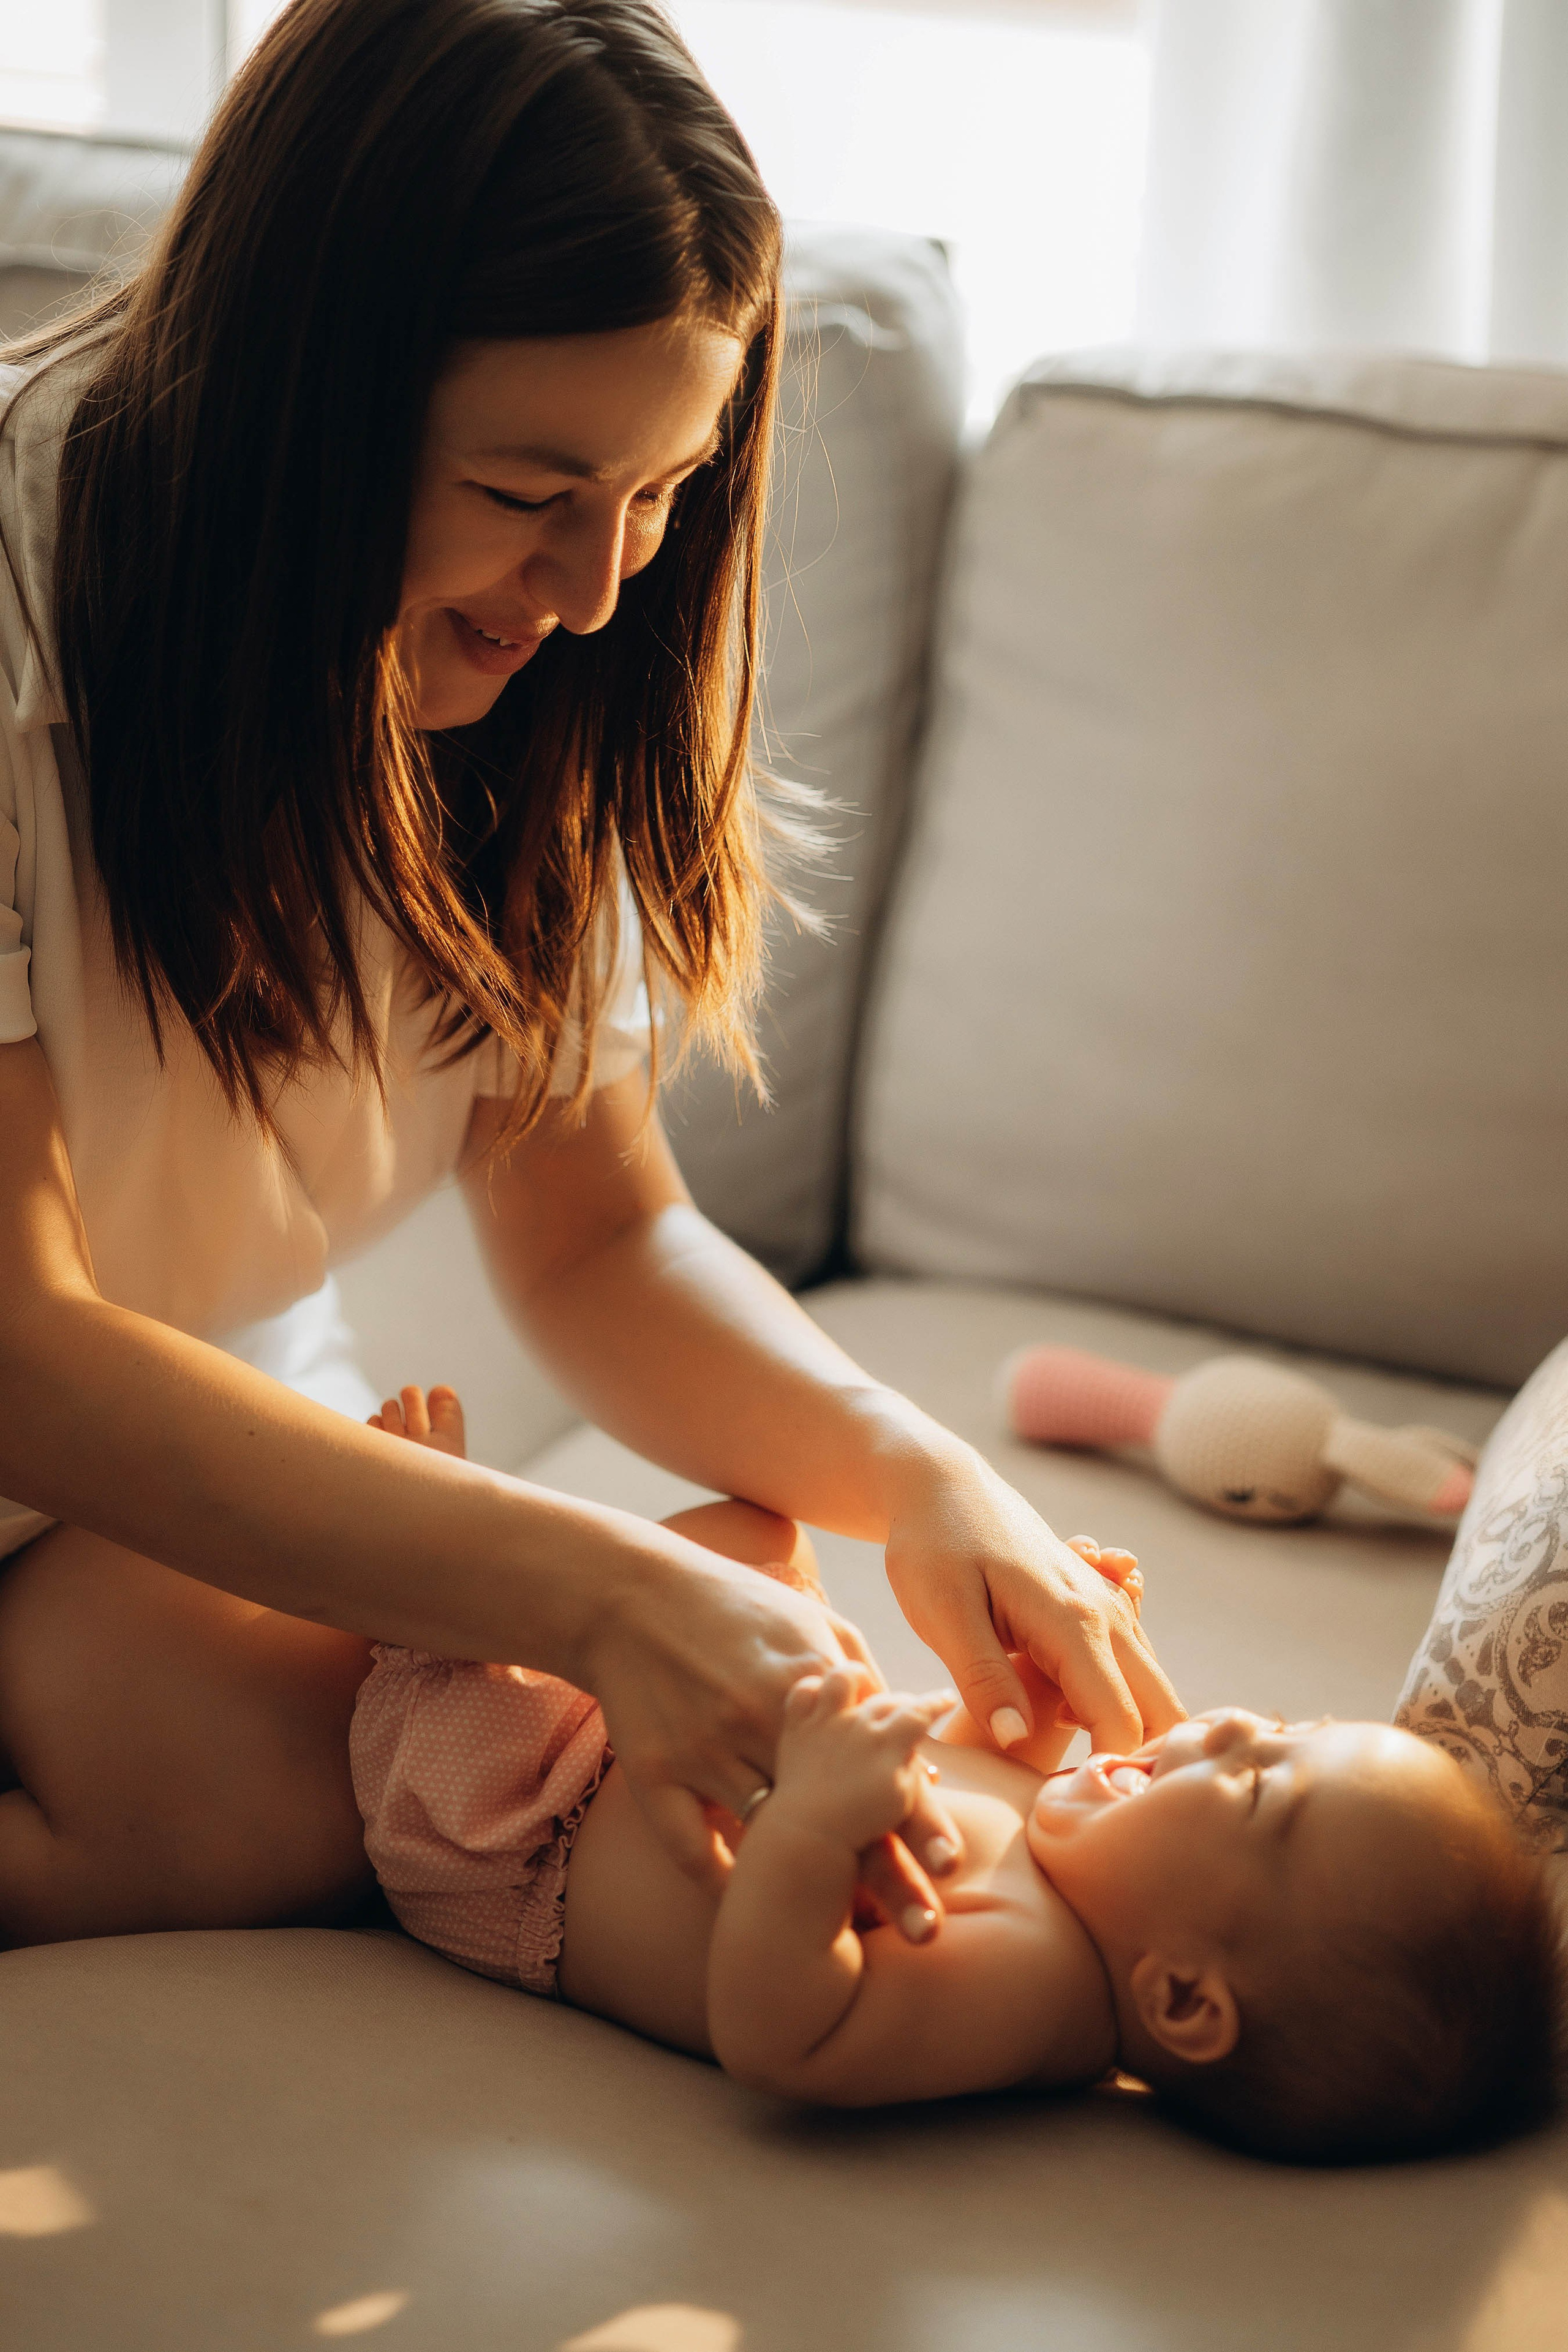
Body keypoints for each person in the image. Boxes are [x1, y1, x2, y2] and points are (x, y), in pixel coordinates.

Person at [0, 0, 1178, 1948]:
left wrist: (927, 1479)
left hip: (164, 1458)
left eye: (661, 493)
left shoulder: (534, 681)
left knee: (367, 1747)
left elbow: (598, 1239)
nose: (600, 589)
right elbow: (24, 1354)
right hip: (51, 1404)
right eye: (532, 493)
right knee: (388, 1722)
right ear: (300, 394)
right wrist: (600, 1593)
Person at [347, 1387, 1558, 2167]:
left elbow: (787, 2039)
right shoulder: (1078, 1873)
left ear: (1183, 1997)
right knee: (757, 1539)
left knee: (681, 1584)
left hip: (517, 1840)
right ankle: (479, 1569)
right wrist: (1024, 1724)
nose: (1231, 1725)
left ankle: (423, 1575)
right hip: (642, 1745)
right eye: (1276, 1727)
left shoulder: (1031, 1989)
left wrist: (813, 1831)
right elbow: (969, 1787)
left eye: (1252, 1786)